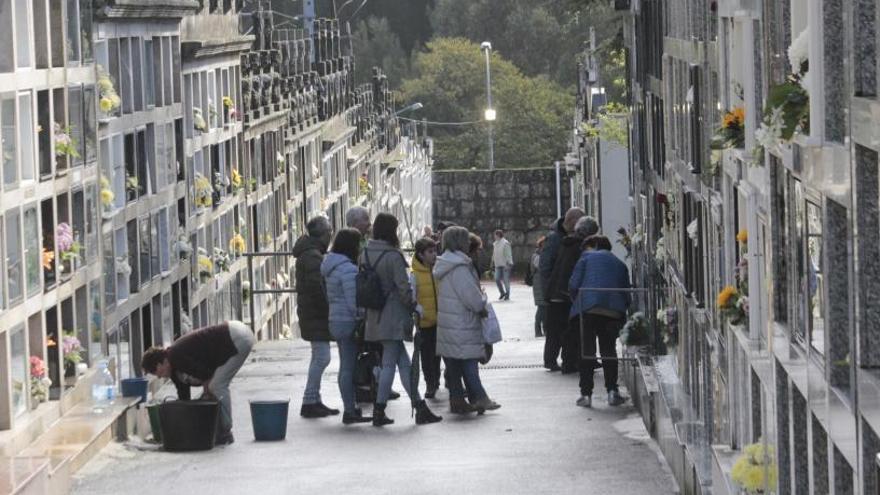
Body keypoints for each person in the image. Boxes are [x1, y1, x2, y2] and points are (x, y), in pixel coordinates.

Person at [362, 213, 442, 426]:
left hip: (375, 315)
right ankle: (380, 409)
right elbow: (404, 289)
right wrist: (415, 306)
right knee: (390, 364)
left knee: (403, 364)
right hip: (393, 315)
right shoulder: (394, 256)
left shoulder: (366, 253)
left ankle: (419, 406)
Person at [141, 321, 255, 445]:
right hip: (235, 334)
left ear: (161, 362)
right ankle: (220, 429)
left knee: (217, 385)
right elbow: (184, 399)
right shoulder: (174, 370)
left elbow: (206, 375)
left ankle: (225, 432)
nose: (158, 376)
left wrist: (207, 393)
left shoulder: (175, 355)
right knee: (211, 389)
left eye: (156, 371)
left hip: (237, 337)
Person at [435, 226, 501, 414]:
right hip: (463, 323)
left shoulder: (445, 264)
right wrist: (482, 302)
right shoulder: (460, 267)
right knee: (470, 362)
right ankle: (480, 397)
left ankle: (457, 399)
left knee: (454, 365)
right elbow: (472, 299)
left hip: (449, 322)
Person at [569, 235, 631, 408]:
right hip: (612, 311)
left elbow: (573, 285)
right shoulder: (619, 263)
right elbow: (626, 291)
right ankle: (612, 391)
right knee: (608, 350)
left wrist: (579, 302)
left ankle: (586, 394)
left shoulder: (586, 259)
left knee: (586, 351)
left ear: (594, 245)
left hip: (588, 310)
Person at [322, 228, 372, 424]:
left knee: (345, 366)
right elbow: (353, 302)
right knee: (348, 368)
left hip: (335, 319)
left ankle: (351, 407)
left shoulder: (330, 266)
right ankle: (350, 410)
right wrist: (363, 316)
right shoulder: (348, 269)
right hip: (348, 321)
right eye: (359, 243)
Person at [293, 216, 339, 418]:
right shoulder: (313, 256)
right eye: (329, 231)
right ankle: (309, 400)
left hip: (311, 313)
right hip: (315, 313)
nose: (331, 235)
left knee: (318, 357)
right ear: (323, 234)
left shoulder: (311, 253)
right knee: (322, 357)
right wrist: (328, 308)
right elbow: (316, 288)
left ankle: (314, 400)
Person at [546, 216, 600, 374]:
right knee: (570, 330)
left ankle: (562, 361)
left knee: (558, 329)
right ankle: (569, 362)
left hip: (557, 290)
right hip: (566, 293)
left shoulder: (567, 243)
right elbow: (575, 272)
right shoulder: (579, 247)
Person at [539, 207, 586, 371]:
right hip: (556, 292)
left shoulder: (564, 237)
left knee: (562, 328)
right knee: (555, 329)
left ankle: (562, 360)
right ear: (572, 221)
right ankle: (550, 360)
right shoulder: (554, 239)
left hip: (563, 292)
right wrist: (549, 290)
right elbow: (545, 267)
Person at [410, 237, 441, 399]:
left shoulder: (438, 270)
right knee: (426, 355)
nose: (434, 255)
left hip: (440, 321)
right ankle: (430, 382)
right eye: (430, 252)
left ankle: (436, 380)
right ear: (421, 255)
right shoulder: (414, 275)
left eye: (435, 251)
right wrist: (419, 309)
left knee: (438, 354)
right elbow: (412, 297)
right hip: (424, 322)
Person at [529, 237, 547, 337]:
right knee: (542, 307)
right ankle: (538, 329)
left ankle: (544, 329)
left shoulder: (539, 255)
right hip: (539, 284)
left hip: (541, 283)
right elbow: (541, 267)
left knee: (544, 307)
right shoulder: (537, 256)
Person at [492, 230, 514, 301]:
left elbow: (508, 254)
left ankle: (507, 294)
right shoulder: (495, 244)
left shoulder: (505, 243)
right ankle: (502, 293)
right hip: (498, 264)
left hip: (505, 265)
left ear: (498, 235)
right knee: (497, 279)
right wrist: (492, 262)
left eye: (495, 235)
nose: (494, 236)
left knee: (506, 280)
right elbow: (494, 254)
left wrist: (509, 264)